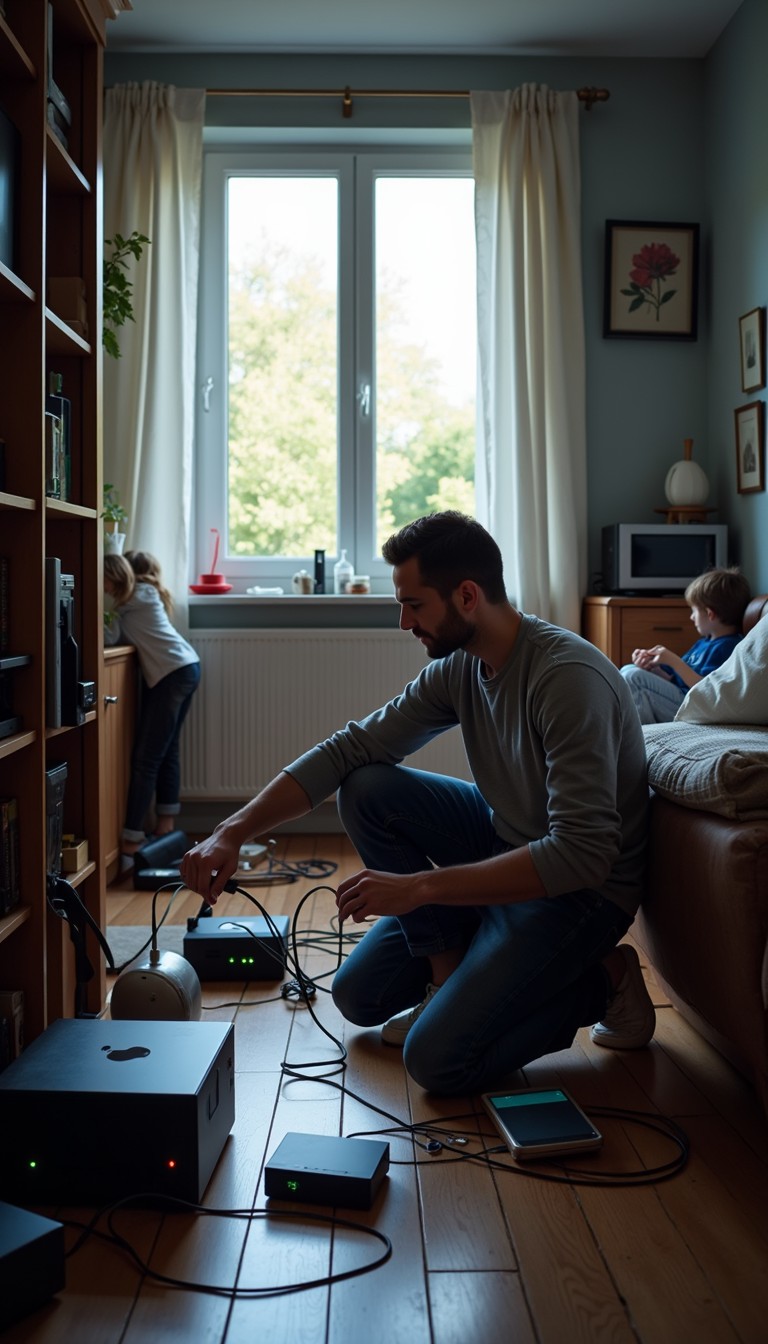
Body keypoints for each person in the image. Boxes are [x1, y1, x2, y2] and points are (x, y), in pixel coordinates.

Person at [180, 512, 652, 1096]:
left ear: (467, 596)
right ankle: (446, 973)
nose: (404, 622)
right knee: (359, 985)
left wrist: (421, 888)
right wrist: (232, 830)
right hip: (507, 843)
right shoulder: (463, 667)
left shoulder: (566, 679)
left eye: (414, 605)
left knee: (437, 1061)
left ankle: (608, 979)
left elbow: (583, 854)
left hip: (581, 894)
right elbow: (351, 749)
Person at [104, 550, 201, 858]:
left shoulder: (135, 596)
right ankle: (165, 827)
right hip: (185, 668)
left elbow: (109, 638)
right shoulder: (145, 596)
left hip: (173, 674)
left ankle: (132, 839)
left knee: (147, 759)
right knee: (167, 750)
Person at [619, 566, 750, 725]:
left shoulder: (728, 647)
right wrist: (653, 668)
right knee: (629, 669)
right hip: (679, 698)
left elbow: (707, 689)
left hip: (693, 707)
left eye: (694, 611)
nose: (691, 617)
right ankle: (637, 730)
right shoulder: (704, 642)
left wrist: (673, 660)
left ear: (710, 614)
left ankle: (639, 734)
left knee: (633, 677)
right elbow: (674, 680)